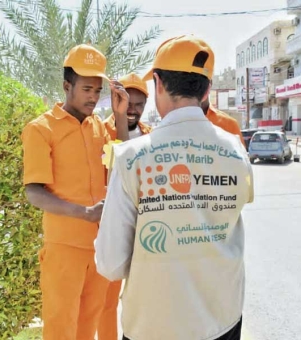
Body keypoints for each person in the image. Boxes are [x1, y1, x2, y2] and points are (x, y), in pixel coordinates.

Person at [95, 35, 254, 340]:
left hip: (153, 326)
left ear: (158, 83)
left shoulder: (132, 157)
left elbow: (111, 264)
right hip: (223, 321)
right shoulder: (236, 149)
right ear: (207, 88)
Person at [21, 44, 129, 340]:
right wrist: (84, 213)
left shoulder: (100, 128)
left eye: (97, 90)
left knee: (87, 327)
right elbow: (34, 192)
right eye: (86, 89)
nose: (93, 97)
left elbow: (122, 163)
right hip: (63, 249)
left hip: (98, 248)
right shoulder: (41, 130)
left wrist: (120, 116)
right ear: (67, 86)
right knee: (60, 328)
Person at [98, 72, 151, 340]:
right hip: (112, 228)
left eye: (139, 104)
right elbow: (120, 168)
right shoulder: (99, 131)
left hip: (146, 231)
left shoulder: (152, 137)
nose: (132, 110)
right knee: (105, 303)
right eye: (127, 102)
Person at [104, 72, 152, 140]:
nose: (132, 110)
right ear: (116, 101)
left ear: (145, 103)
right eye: (128, 104)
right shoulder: (101, 133)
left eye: (138, 105)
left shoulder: (150, 135)